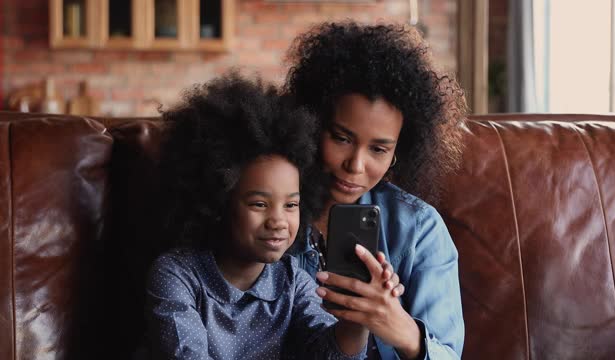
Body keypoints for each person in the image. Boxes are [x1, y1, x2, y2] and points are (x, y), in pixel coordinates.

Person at [144, 72, 375, 359]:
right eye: (259, 204)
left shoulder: (294, 283)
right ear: (217, 202)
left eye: (291, 205)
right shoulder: (176, 276)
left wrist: (357, 322)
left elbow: (329, 353)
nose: (278, 221)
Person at [284, 21, 467, 359]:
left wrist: (398, 326)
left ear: (399, 152)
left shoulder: (418, 230)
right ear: (311, 124)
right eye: (341, 138)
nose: (355, 165)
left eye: (378, 150)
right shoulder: (272, 213)